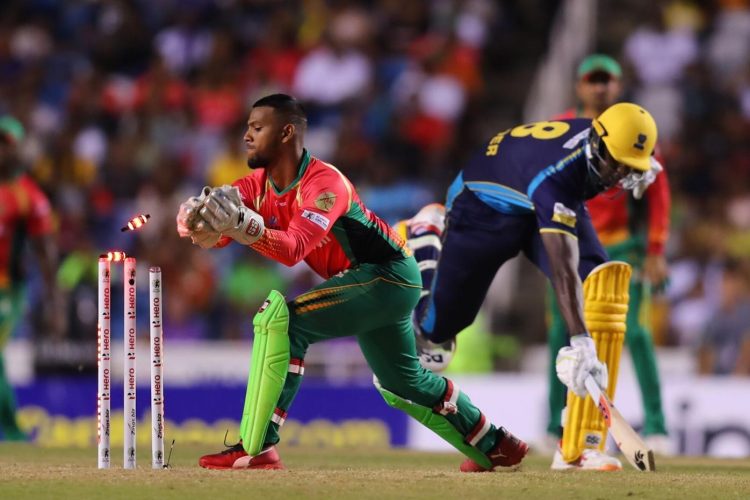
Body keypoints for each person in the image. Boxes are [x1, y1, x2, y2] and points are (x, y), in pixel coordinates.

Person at [176, 93, 528, 472]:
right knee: (401, 383)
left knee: (283, 321)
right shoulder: (256, 185)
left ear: (286, 133)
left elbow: (293, 249)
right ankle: (493, 445)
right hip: (373, 282)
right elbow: (227, 219)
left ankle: (257, 447)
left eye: (257, 128)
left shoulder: (325, 185)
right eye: (247, 127)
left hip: (385, 274)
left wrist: (243, 228)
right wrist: (200, 225)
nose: (246, 136)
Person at [411, 101, 661, 471]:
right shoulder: (559, 175)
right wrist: (580, 340)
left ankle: (579, 445)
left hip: (533, 196)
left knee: (602, 286)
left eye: (630, 168)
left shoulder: (603, 142)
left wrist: (632, 163)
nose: (620, 175)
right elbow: (563, 270)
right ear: (596, 144)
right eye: (618, 163)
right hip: (483, 208)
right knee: (437, 331)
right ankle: (425, 238)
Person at [544, 54, 671, 460]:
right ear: (579, 85)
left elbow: (658, 191)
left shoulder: (633, 130)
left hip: (618, 246)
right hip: (566, 243)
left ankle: (656, 426)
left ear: (617, 86)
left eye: (607, 80)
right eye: (592, 80)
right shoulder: (561, 127)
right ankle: (553, 426)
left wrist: (654, 250)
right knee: (559, 336)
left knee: (635, 333)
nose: (600, 87)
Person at [0, 115, 61, 440]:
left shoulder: (29, 196)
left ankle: (10, 433)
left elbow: (46, 256)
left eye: (5, 144)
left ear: (18, 149)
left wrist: (55, 305)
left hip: (7, 290)